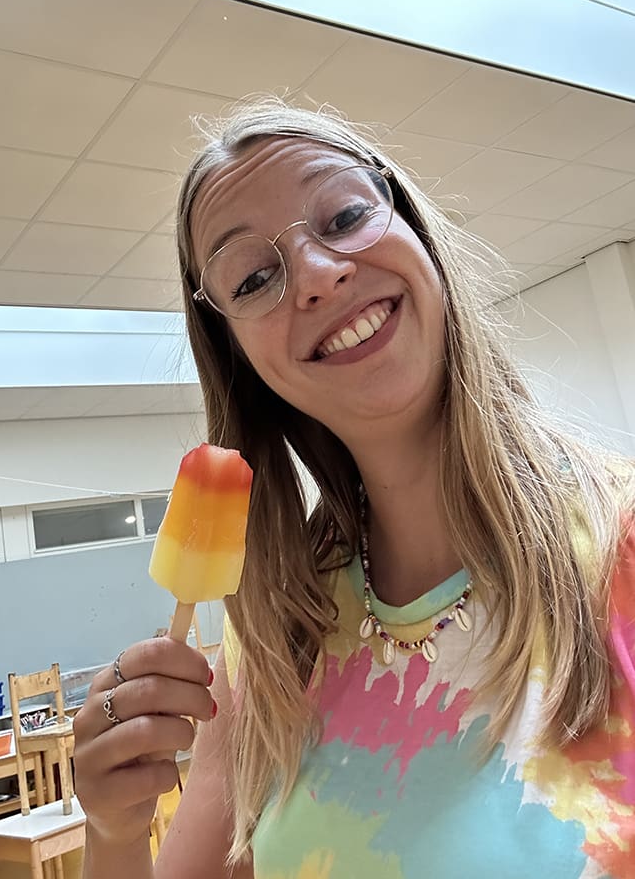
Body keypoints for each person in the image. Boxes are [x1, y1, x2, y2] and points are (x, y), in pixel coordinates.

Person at [73, 98, 635, 878]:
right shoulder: (276, 637)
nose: (316, 274)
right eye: (254, 278)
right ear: (240, 358)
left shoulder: (619, 548)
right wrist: (113, 833)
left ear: (415, 230)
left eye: (343, 217)